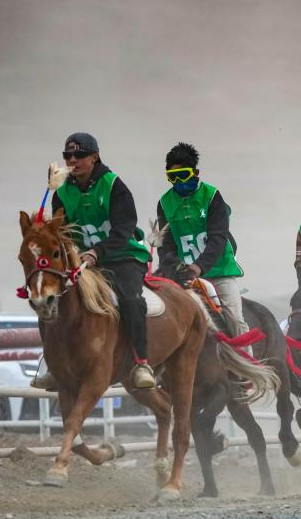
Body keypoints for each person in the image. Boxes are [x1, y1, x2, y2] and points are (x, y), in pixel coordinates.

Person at [31, 133, 155, 390]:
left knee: (131, 300)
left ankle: (142, 363)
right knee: (49, 299)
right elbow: (62, 232)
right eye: (67, 156)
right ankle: (53, 366)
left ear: (95, 157)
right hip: (83, 261)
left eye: (79, 155)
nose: (72, 160)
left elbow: (124, 228)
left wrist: (97, 252)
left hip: (123, 256)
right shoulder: (61, 192)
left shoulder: (114, 185)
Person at [155, 142, 248, 338]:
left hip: (218, 272)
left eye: (183, 174)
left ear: (196, 172)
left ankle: (246, 357)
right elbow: (166, 245)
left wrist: (199, 267)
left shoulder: (212, 196)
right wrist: (173, 266)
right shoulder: (164, 203)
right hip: (184, 276)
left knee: (235, 319)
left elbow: (218, 238)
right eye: (173, 176)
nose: (179, 181)